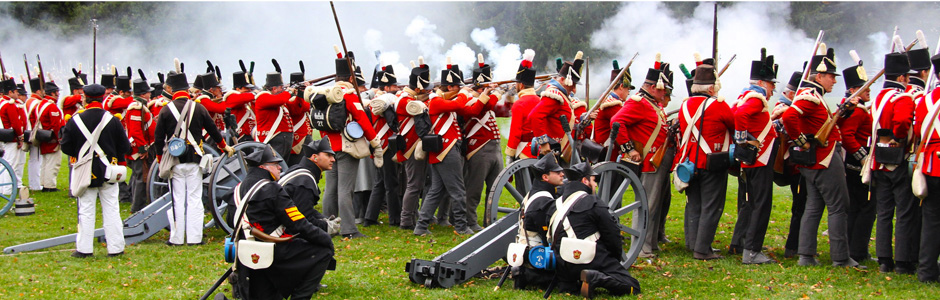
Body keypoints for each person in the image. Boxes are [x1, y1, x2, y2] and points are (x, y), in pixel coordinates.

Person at [781, 45, 862, 268]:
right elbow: (789, 118)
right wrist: (800, 141)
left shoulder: (813, 95)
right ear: (819, 76)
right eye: (830, 77)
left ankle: (806, 255)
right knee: (839, 206)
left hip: (815, 160)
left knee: (814, 206)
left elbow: (824, 125)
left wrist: (843, 112)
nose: (834, 81)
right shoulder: (811, 97)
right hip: (824, 158)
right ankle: (840, 257)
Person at [232, 145, 334, 299]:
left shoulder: (238, 189)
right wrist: (325, 237)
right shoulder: (272, 189)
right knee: (323, 252)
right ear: (263, 167)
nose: (280, 167)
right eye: (275, 164)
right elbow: (298, 223)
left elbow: (229, 220)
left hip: (245, 250)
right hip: (274, 249)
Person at [153, 70, 234, 246]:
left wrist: (160, 160)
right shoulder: (198, 107)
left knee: (177, 199)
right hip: (195, 158)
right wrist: (224, 147)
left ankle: (176, 238)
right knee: (195, 199)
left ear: (171, 89)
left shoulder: (166, 110)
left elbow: (158, 139)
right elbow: (213, 130)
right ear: (187, 89)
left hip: (174, 161)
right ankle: (195, 238)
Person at [611, 54, 673, 257]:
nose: (664, 92)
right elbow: (616, 123)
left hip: (658, 161)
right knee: (647, 205)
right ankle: (641, 247)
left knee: (656, 205)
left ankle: (651, 243)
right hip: (649, 162)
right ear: (654, 86)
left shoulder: (652, 103)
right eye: (662, 88)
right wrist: (629, 149)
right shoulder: (638, 102)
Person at [60, 83, 132, 258]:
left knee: (85, 209)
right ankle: (116, 247)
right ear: (101, 99)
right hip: (109, 169)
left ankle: (84, 249)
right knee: (112, 209)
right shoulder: (112, 120)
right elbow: (125, 146)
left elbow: (66, 147)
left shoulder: (75, 120)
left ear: (85, 98)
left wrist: (81, 154)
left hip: (85, 170)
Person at [315, 48, 380, 239]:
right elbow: (362, 120)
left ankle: (328, 224)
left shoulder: (326, 93)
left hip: (329, 146)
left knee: (332, 189)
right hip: (346, 146)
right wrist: (375, 142)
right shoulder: (348, 94)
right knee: (345, 190)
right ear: (351, 77)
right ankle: (349, 229)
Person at [550, 162, 641, 298]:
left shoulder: (555, 204)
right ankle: (596, 278)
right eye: (593, 180)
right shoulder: (594, 202)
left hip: (563, 264)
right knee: (632, 286)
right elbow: (612, 235)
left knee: (569, 286)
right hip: (590, 259)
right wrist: (612, 260)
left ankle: (569, 284)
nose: (596, 185)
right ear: (585, 181)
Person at [674, 63, 733, 261]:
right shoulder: (718, 105)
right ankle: (702, 249)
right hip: (711, 161)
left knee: (694, 204)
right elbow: (734, 125)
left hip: (689, 163)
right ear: (710, 88)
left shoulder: (684, 105)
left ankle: (692, 244)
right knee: (711, 206)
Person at [728, 49, 779, 264]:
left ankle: (744, 244)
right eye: (770, 83)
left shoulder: (744, 95)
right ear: (760, 82)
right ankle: (752, 250)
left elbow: (735, 112)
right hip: (759, 159)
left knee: (751, 203)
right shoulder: (757, 98)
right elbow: (739, 115)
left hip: (753, 160)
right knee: (761, 204)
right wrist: (743, 140)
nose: (773, 88)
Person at [871, 50, 919, 274]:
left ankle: (883, 259)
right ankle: (902, 260)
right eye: (907, 77)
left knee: (884, 212)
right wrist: (899, 139)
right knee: (905, 212)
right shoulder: (903, 98)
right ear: (901, 78)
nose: (908, 80)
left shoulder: (879, 98)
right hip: (897, 160)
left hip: (878, 161)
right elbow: (901, 121)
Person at [413, 59, 473, 236]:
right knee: (458, 189)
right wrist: (464, 93)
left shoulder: (442, 100)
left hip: (444, 150)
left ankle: (421, 226)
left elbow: (466, 109)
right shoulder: (437, 101)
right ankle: (462, 226)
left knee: (436, 191)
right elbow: (460, 104)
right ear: (449, 87)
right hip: (446, 150)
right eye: (456, 87)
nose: (459, 90)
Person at [837, 52, 876, 263]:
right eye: (864, 87)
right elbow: (848, 137)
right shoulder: (858, 111)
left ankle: (855, 248)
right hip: (856, 164)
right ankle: (858, 250)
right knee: (865, 208)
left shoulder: (851, 107)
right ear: (853, 90)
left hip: (850, 163)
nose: (869, 90)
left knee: (857, 206)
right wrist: (863, 159)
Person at [460, 54, 503, 231]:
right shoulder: (469, 98)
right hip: (479, 147)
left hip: (495, 147)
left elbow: (501, 108)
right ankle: (470, 221)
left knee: (495, 188)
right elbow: (482, 107)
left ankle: (489, 220)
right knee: (474, 189)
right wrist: (495, 93)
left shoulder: (486, 98)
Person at [509, 154, 564, 290]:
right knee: (567, 278)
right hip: (535, 253)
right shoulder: (543, 201)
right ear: (545, 177)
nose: (562, 174)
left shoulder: (535, 192)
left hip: (526, 247)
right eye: (557, 172)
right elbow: (549, 238)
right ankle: (527, 275)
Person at [393, 58, 431, 230]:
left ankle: (412, 216)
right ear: (417, 89)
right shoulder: (404, 100)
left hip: (414, 145)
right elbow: (421, 107)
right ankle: (406, 220)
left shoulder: (408, 97)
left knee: (417, 184)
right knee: (414, 185)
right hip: (410, 148)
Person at [526, 51, 584, 163]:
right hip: (553, 150)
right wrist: (543, 143)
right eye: (573, 84)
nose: (574, 89)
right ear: (562, 80)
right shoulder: (554, 96)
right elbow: (535, 116)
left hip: (561, 151)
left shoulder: (562, 95)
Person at [364, 65, 403, 227]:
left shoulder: (379, 100)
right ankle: (395, 219)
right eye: (393, 86)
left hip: (379, 145)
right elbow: (393, 123)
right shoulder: (383, 102)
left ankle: (370, 217)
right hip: (385, 145)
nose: (396, 88)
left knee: (380, 183)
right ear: (386, 87)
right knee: (391, 184)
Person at [775, 71, 809, 258]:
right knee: (800, 207)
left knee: (802, 206)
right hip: (794, 166)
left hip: (797, 165)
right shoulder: (783, 110)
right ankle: (793, 247)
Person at [280, 138, 340, 236]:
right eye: (328, 155)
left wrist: (322, 218)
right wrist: (325, 226)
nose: (333, 159)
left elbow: (304, 210)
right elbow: (303, 218)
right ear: (315, 157)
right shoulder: (305, 181)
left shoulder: (300, 171)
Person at [916, 54, 940, 283]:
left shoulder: (925, 100)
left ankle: (926, 271)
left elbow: (917, 132)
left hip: (931, 165)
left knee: (932, 221)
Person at [254, 63, 295, 160]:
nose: (283, 90)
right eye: (281, 88)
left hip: (283, 139)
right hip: (272, 138)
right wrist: (289, 91)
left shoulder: (277, 98)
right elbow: (280, 100)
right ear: (274, 88)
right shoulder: (262, 97)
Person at [126, 73, 155, 213]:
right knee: (140, 178)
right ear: (143, 94)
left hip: (142, 147)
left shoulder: (140, 106)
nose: (150, 95)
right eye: (148, 93)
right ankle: (137, 207)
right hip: (139, 149)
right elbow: (136, 131)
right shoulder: (136, 107)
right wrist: (143, 148)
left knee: (141, 177)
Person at [505, 49, 539, 161]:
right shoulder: (541, 100)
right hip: (540, 150)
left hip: (524, 152)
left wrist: (510, 154)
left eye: (517, 83)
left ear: (521, 85)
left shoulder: (519, 104)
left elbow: (515, 134)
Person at [36, 81, 64, 192]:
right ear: (53, 93)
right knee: (53, 163)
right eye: (57, 92)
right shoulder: (51, 106)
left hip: (44, 137)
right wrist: (60, 138)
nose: (58, 94)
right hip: (51, 138)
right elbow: (56, 125)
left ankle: (44, 183)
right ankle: (50, 185)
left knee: (46, 162)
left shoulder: (41, 104)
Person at [0, 77, 26, 196]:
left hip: (3, 137)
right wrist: (20, 137)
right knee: (10, 165)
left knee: (4, 164)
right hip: (10, 138)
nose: (17, 93)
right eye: (15, 91)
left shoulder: (2, 102)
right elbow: (15, 123)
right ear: (10, 92)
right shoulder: (10, 105)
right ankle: (7, 190)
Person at [25, 75, 44, 192]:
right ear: (38, 91)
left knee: (34, 160)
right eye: (42, 90)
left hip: (29, 132)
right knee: (36, 160)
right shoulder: (36, 102)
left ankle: (34, 183)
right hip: (34, 133)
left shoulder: (29, 101)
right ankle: (35, 184)